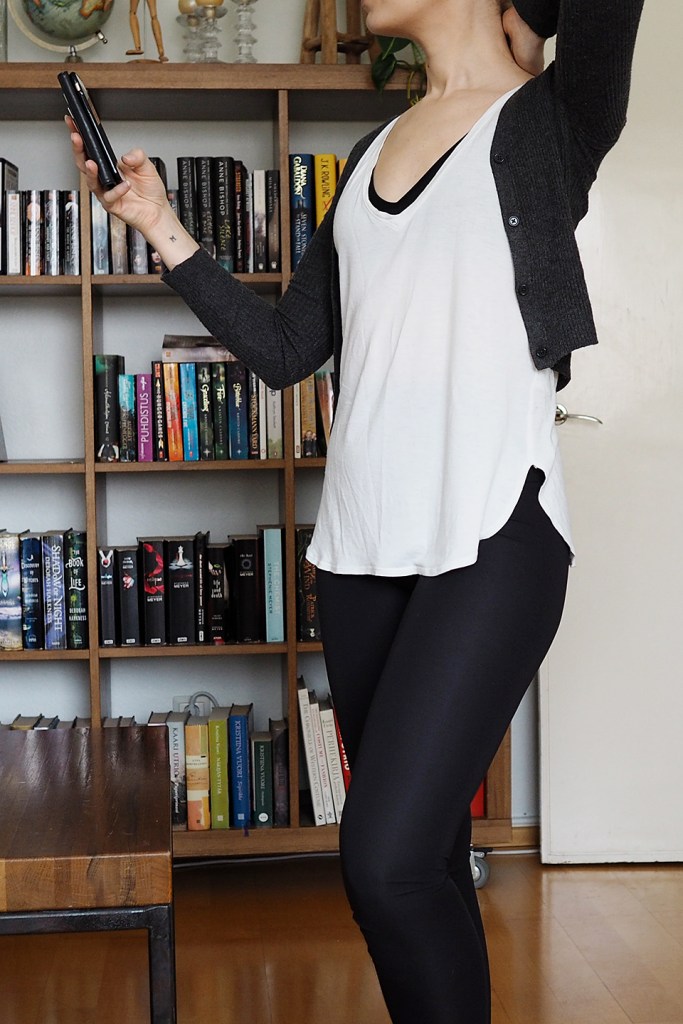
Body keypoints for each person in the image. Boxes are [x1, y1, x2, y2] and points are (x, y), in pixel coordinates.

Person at [66, 1, 644, 1020]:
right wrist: (159, 223)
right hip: (360, 553)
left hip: (491, 533)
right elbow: (286, 350)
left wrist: (529, 21)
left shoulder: (552, 120)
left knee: (380, 859)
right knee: (423, 859)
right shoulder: (370, 151)